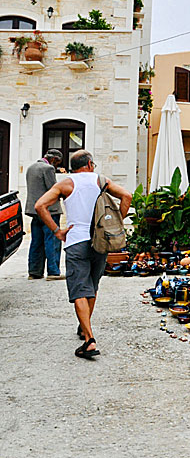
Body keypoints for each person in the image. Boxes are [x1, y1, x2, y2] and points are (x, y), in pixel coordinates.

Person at [35, 150, 132, 359]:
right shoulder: (101, 181)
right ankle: (83, 326)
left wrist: (56, 230)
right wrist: (114, 223)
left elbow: (40, 205)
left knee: (80, 289)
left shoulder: (65, 184)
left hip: (76, 240)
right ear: (89, 164)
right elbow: (127, 196)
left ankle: (89, 340)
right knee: (92, 286)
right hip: (100, 241)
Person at [25, 149, 64, 280]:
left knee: (36, 242)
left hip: (34, 210)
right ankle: (53, 271)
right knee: (52, 241)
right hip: (49, 211)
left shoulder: (31, 167)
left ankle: (34, 271)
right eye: (57, 163)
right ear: (53, 160)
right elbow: (54, 189)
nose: (57, 166)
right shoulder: (48, 168)